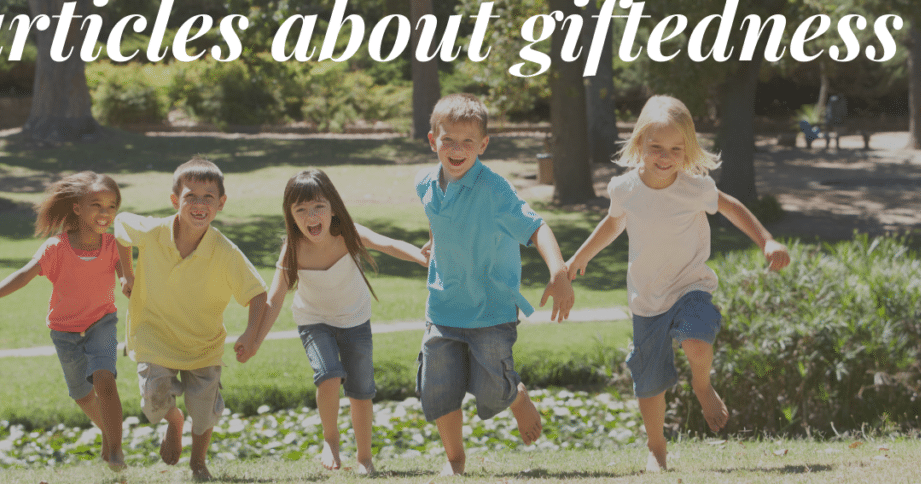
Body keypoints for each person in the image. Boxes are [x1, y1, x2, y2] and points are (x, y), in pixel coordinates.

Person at [566, 95, 791, 472]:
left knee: (697, 343)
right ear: (639, 144)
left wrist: (766, 239)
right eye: (655, 147)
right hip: (647, 298)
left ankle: (702, 386)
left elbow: (731, 206)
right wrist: (580, 257)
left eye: (675, 148)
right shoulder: (625, 189)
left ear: (687, 149)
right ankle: (656, 449)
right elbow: (612, 223)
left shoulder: (695, 187)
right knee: (650, 381)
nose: (665, 156)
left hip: (691, 285)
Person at [415, 93, 575, 476]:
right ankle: (455, 461)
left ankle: (515, 397)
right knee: (438, 388)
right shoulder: (425, 184)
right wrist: (437, 240)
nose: (457, 149)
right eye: (448, 140)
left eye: (467, 142)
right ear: (432, 140)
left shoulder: (495, 190)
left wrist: (558, 271)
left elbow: (536, 227)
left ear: (483, 145)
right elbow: (444, 218)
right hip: (443, 306)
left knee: (492, 389)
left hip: (490, 310)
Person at [257, 169, 429, 475]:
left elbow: (387, 244)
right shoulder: (293, 249)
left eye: (318, 207)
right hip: (314, 320)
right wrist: (253, 340)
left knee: (361, 392)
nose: (311, 216)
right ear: (291, 216)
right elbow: (275, 298)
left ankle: (364, 458)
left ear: (333, 208)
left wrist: (421, 257)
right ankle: (331, 440)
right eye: (301, 210)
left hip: (355, 320)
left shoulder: (348, 233)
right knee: (328, 375)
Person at [114, 157, 271, 481]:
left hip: (203, 346)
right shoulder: (153, 231)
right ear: (175, 200)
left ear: (221, 203)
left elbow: (258, 294)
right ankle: (174, 421)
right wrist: (126, 274)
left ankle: (198, 463)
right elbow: (119, 227)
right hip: (153, 336)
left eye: (208, 197)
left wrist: (250, 336)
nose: (199, 204)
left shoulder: (225, 252)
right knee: (154, 403)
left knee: (205, 413)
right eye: (190, 196)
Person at [0, 171, 128, 472]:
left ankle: (115, 450)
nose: (105, 213)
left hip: (102, 322)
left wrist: (130, 284)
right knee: (82, 395)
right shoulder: (57, 248)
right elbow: (24, 274)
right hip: (64, 332)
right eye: (96, 205)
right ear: (77, 207)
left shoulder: (114, 246)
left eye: (111, 206)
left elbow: (127, 277)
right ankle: (107, 431)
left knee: (105, 380)